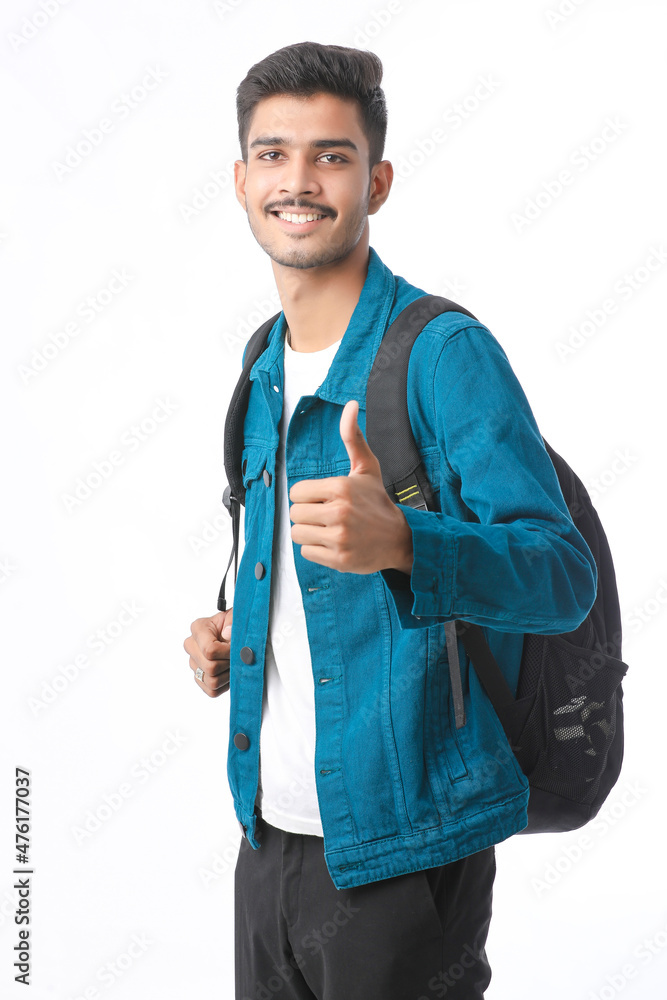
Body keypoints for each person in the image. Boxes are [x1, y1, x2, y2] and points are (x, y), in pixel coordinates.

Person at [183, 41, 597, 1000]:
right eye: (273, 154)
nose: (298, 181)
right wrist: (238, 633)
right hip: (267, 835)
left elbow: (560, 574)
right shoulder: (262, 362)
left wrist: (407, 542)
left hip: (408, 850)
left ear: (376, 181)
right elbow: (306, 582)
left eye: (330, 156)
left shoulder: (443, 352)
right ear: (241, 182)